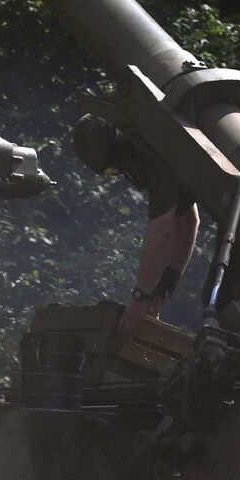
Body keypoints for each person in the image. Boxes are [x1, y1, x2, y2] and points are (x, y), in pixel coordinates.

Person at [71, 114, 200, 336]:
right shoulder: (164, 138)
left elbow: (162, 230)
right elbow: (188, 222)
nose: (121, 174)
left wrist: (141, 297)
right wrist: (165, 286)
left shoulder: (153, 152)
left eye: (114, 169)